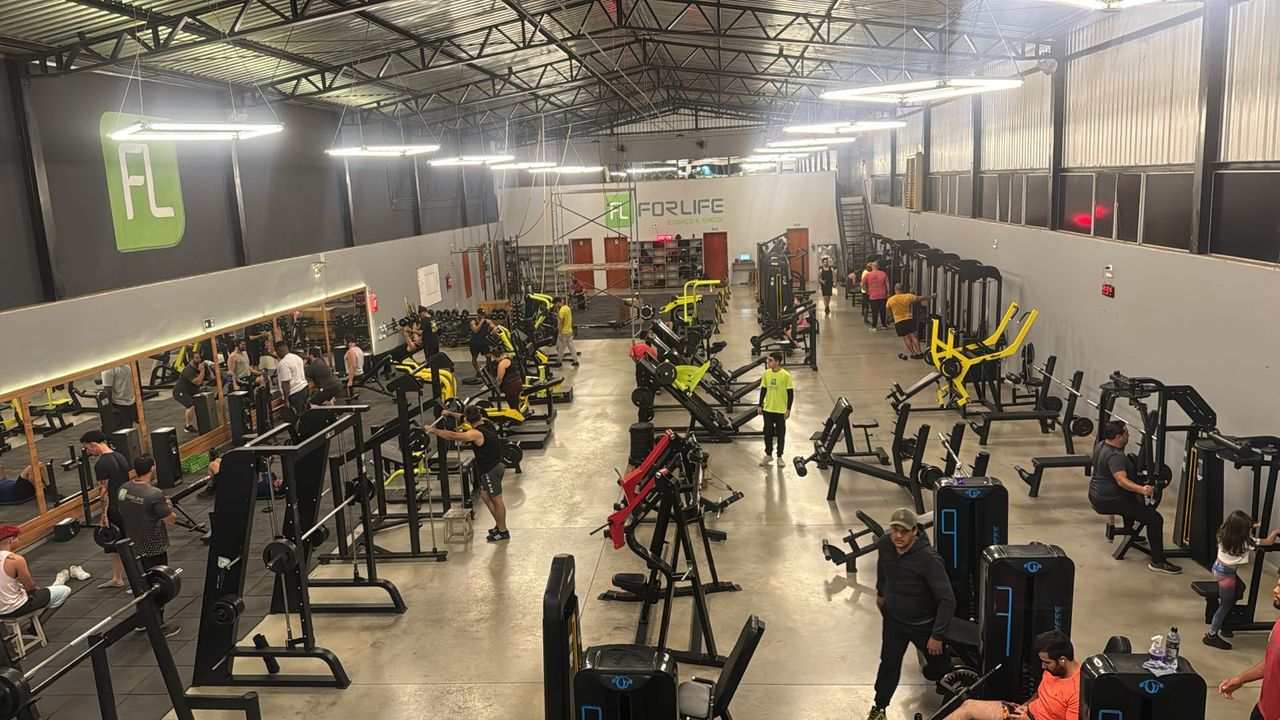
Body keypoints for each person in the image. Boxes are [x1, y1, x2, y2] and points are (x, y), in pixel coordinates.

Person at [868, 507, 955, 720]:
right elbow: (882, 568)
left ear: (915, 531)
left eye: (904, 531)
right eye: (895, 530)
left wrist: (937, 635)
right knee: (888, 663)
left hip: (923, 626)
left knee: (940, 668)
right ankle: (879, 707)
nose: (898, 536)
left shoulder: (928, 559)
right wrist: (880, 592)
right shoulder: (885, 544)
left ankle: (952, 700)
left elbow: (947, 599)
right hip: (894, 621)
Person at [1087, 420, 1181, 574]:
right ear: (1118, 437)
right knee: (1155, 519)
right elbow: (1121, 480)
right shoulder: (1116, 456)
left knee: (1131, 500)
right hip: (1109, 500)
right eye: (1126, 434)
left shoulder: (1101, 444)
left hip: (1095, 494)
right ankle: (1158, 561)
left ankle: (1130, 532)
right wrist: (1142, 489)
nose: (1128, 435)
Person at [948, 630, 1080, 720]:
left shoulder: (1076, 692)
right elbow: (1040, 693)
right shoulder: (1054, 670)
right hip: (1024, 713)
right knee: (968, 706)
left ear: (1062, 660)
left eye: (1047, 662)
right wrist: (1026, 705)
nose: (1043, 667)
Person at [424, 405, 509, 542]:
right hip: (494, 465)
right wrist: (450, 413)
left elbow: (453, 436)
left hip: (491, 470)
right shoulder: (486, 422)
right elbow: (462, 417)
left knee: (497, 501)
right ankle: (499, 525)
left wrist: (433, 430)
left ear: (469, 420)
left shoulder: (475, 433)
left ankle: (503, 531)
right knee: (485, 496)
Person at [117, 456, 180, 637]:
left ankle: (142, 621)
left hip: (133, 545)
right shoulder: (154, 494)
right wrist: (167, 507)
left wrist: (159, 506)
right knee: (158, 585)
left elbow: (127, 507)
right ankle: (158, 626)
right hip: (154, 546)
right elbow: (170, 520)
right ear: (152, 468)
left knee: (140, 584)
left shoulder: (123, 489)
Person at [1205, 511, 1280, 649]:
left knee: (1241, 588)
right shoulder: (1246, 542)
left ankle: (1226, 613)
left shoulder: (1222, 533)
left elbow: (1235, 524)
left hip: (1218, 568)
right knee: (1225, 606)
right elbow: (1268, 542)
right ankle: (1211, 635)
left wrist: (1256, 525)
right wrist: (1275, 532)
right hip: (1227, 577)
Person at [1218, 571, 1280, 719]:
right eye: (1278, 584)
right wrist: (1241, 679)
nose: (1275, 590)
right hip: (1263, 710)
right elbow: (1272, 661)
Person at [81, 430, 131, 589]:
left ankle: (137, 581)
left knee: (122, 544)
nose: (89, 452)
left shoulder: (101, 464)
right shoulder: (121, 456)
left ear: (93, 444)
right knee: (114, 545)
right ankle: (117, 578)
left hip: (114, 508)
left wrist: (104, 515)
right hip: (126, 503)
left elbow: (104, 492)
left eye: (88, 449)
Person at [0, 525, 70, 625]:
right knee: (64, 591)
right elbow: (30, 587)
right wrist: (38, 591)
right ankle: (35, 627)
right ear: (11, 540)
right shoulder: (16, 560)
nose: (19, 541)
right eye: (17, 539)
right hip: (15, 608)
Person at [757, 352, 793, 468]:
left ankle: (779, 456)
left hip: (780, 410)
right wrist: (760, 405)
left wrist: (788, 409)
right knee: (767, 433)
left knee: (781, 434)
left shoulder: (785, 375)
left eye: (770, 360)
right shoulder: (766, 374)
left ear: (777, 362)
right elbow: (763, 390)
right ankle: (768, 454)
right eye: (768, 360)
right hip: (768, 409)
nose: (768, 362)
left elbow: (790, 394)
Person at [885, 284, 936, 360]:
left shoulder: (890, 300)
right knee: (913, 337)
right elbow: (921, 298)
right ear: (903, 289)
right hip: (908, 319)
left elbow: (888, 310)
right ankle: (919, 353)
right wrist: (932, 296)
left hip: (899, 321)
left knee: (906, 338)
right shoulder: (908, 296)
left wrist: (889, 318)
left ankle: (913, 353)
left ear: (895, 290)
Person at [272, 340, 309, 420]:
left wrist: (286, 400)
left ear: (278, 351)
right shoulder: (297, 358)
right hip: (304, 389)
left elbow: (286, 383)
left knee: (296, 419)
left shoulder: (283, 363)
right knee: (305, 416)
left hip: (295, 394)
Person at [172, 350, 207, 434]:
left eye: (199, 357)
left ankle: (204, 423)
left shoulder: (198, 367)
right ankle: (188, 426)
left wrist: (208, 368)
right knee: (190, 406)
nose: (199, 359)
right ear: (191, 359)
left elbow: (211, 377)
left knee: (203, 401)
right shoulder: (188, 370)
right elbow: (197, 381)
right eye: (197, 358)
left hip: (191, 391)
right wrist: (202, 371)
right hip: (180, 391)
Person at [485, 343, 524, 411]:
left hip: (511, 387)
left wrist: (497, 388)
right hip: (516, 383)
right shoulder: (508, 359)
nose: (494, 359)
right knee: (514, 405)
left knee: (514, 406)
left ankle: (518, 417)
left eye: (494, 357)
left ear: (498, 356)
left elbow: (499, 379)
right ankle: (517, 416)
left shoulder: (502, 364)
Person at [100, 364, 137, 428]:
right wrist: (110, 408)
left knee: (127, 428)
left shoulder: (127, 367)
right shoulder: (109, 369)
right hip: (120, 405)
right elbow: (107, 391)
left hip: (128, 403)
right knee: (123, 429)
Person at [861, 260, 891, 331]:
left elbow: (861, 285)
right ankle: (884, 325)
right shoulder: (883, 274)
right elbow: (887, 285)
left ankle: (874, 326)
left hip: (872, 296)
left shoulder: (868, 275)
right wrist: (888, 293)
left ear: (872, 267)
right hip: (882, 295)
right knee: (882, 310)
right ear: (878, 266)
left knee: (874, 311)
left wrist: (867, 291)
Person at [553, 296, 580, 368]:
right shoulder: (567, 308)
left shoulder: (562, 311)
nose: (555, 305)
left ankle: (559, 362)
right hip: (569, 330)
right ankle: (575, 361)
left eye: (555, 304)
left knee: (560, 348)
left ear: (557, 302)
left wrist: (559, 333)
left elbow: (561, 323)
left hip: (563, 332)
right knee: (572, 347)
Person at [343, 335, 365, 400]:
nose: (344, 343)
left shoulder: (351, 352)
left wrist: (350, 380)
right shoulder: (358, 349)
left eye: (345, 341)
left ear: (349, 342)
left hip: (355, 374)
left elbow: (353, 366)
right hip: (360, 372)